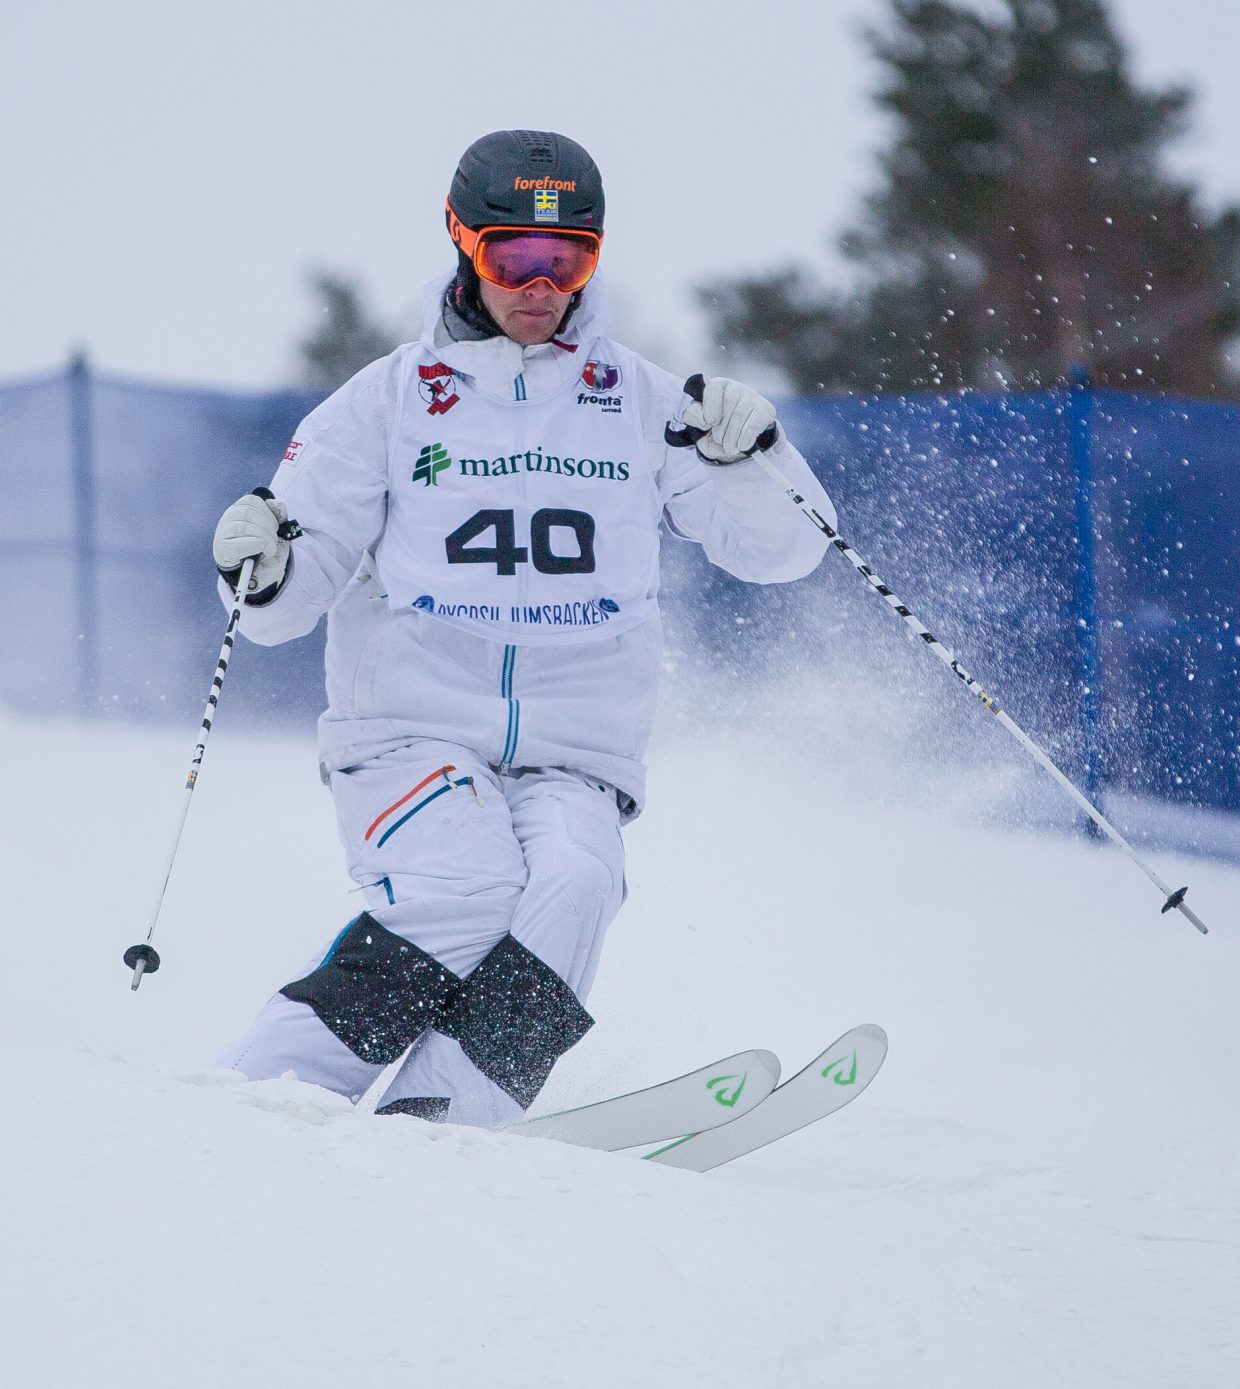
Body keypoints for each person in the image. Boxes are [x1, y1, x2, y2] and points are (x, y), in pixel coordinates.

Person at [211, 129, 836, 1127]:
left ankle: (446, 1116)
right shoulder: (387, 401)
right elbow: (279, 606)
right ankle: (264, 1090)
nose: (539, 287)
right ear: (463, 244)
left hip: (576, 750)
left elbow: (787, 550)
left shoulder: (640, 401)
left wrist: (752, 456)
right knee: (467, 883)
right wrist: (260, 561)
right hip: (409, 732)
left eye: (566, 261)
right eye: (513, 259)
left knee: (577, 883)